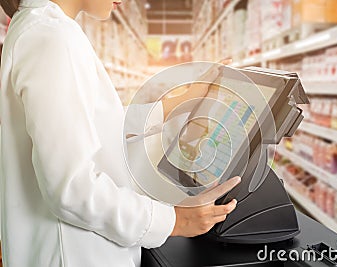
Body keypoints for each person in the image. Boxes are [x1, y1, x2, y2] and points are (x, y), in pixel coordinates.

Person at [0, 0, 240, 266]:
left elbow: (93, 124)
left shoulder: (43, 28)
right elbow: (71, 188)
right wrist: (174, 221)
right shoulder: (53, 37)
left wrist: (176, 104)